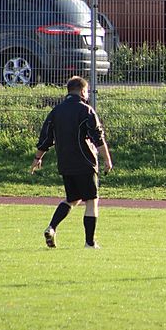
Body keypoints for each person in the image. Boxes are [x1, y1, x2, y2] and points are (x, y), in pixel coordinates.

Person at [31, 76, 113, 248]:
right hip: (85, 162)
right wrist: (107, 159)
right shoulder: (86, 110)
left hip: (65, 163)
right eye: (87, 91)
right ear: (82, 91)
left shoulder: (56, 111)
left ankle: (51, 227)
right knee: (91, 200)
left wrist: (38, 158)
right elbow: (98, 137)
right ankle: (90, 242)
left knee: (72, 198)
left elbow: (46, 138)